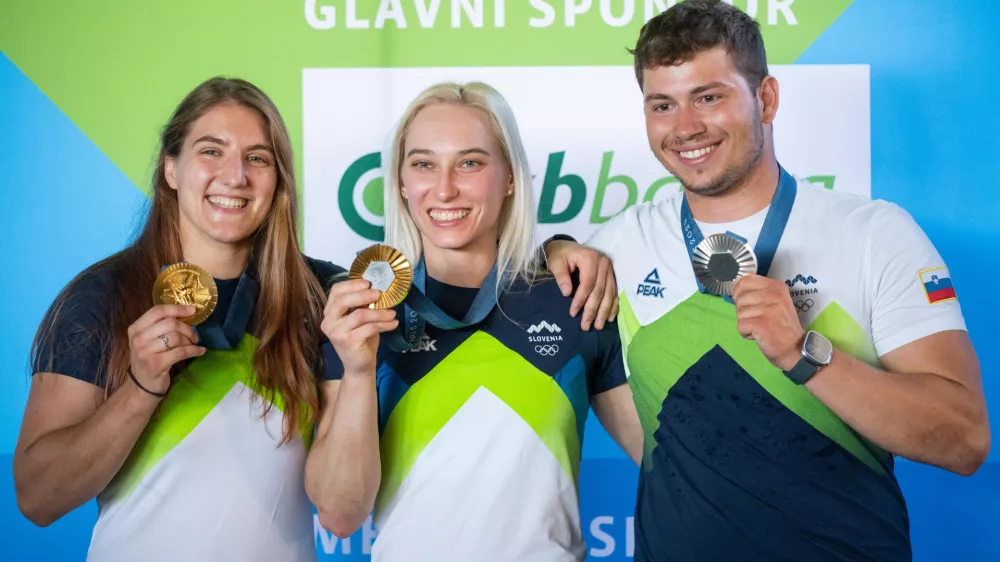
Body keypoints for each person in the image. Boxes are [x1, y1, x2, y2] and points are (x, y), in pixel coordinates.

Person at [13, 76, 617, 561]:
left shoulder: (325, 296)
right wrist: (140, 388)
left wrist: (557, 249)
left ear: (279, 181)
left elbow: (342, 506)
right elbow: (38, 498)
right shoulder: (104, 297)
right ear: (170, 169)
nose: (235, 176)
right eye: (209, 152)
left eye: (258, 157)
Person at [583, 1, 991, 560]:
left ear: (766, 99)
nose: (685, 128)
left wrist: (805, 355)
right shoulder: (615, 245)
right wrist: (557, 249)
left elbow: (964, 440)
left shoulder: (875, 234)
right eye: (662, 105)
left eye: (709, 96)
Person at [305, 81, 644, 562]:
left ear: (510, 176)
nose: (444, 188)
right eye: (423, 164)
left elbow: (667, 465)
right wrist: (359, 372)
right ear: (401, 182)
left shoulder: (573, 299)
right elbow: (339, 517)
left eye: (470, 163)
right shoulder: (361, 314)